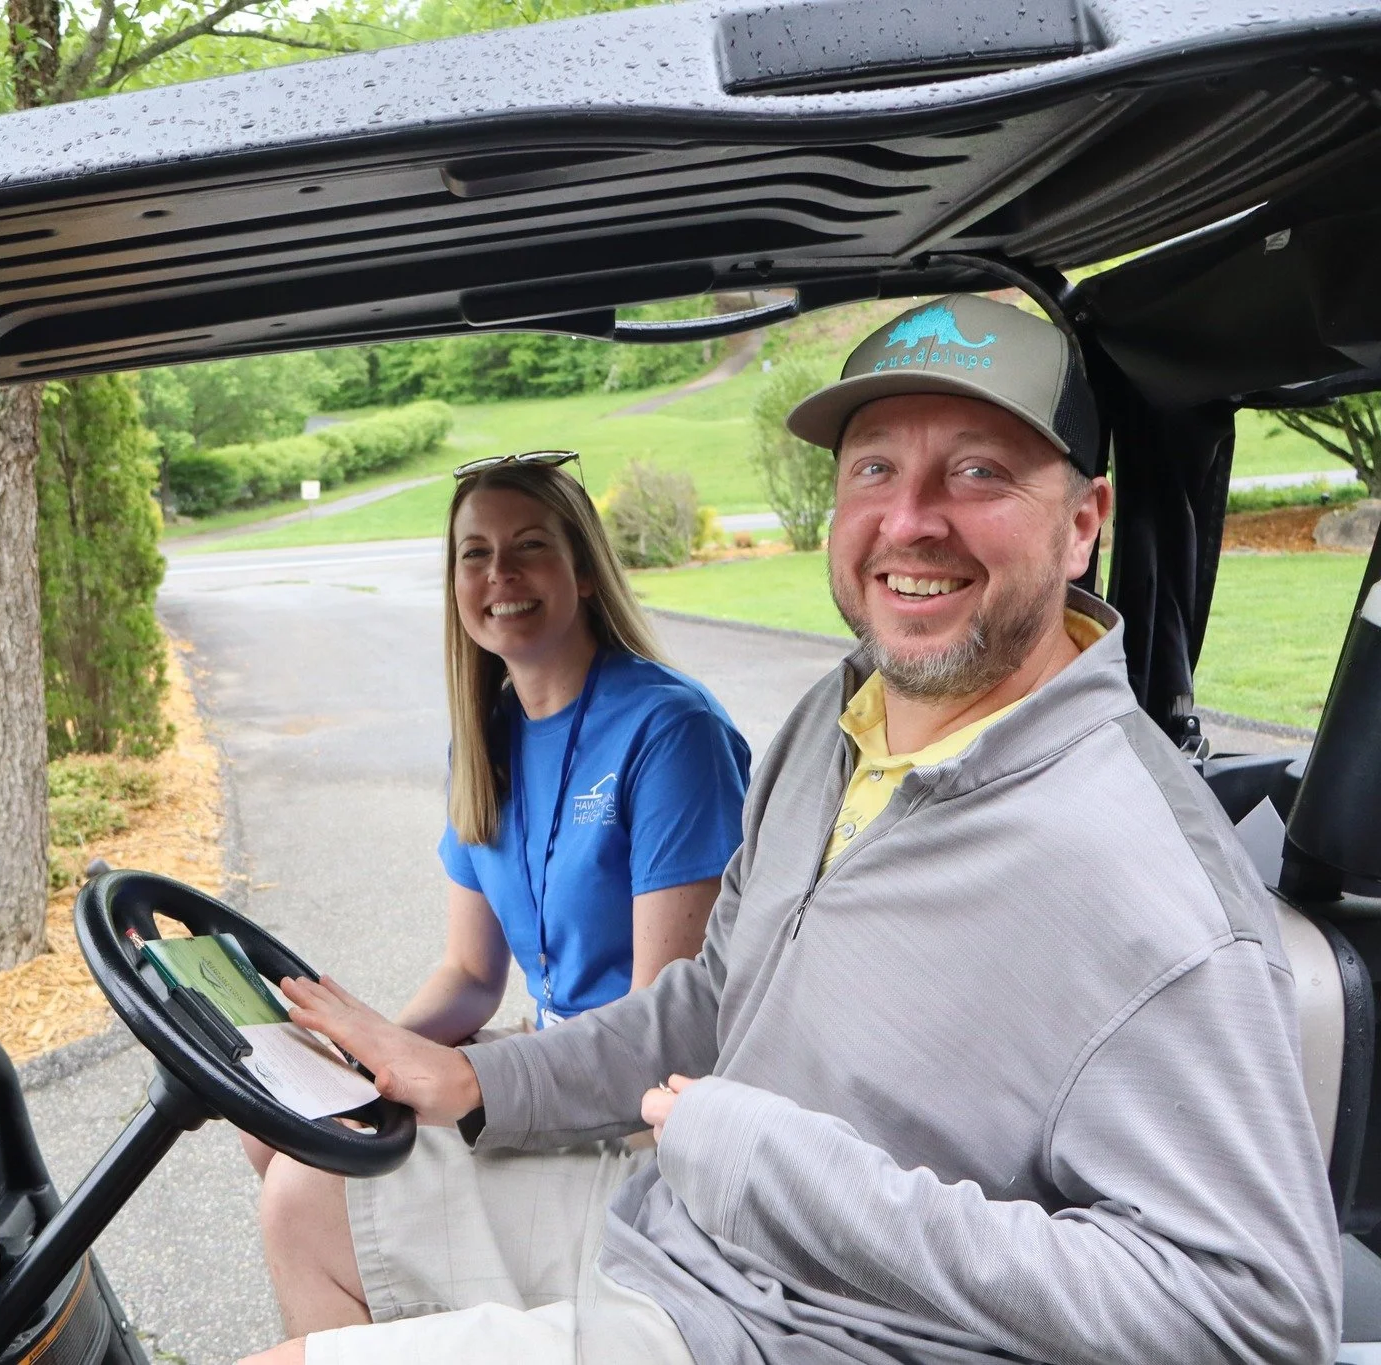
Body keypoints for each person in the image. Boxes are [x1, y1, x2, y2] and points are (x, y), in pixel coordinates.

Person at [241, 295, 1341, 1365]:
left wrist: (791, 1179)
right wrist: (479, 1083)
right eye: (873, 467)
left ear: (1080, 525)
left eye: (976, 471)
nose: (908, 518)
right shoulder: (837, 720)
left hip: (802, 1326)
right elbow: (718, 995)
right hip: (677, 1219)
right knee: (312, 1187)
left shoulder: (1142, 875)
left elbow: (1252, 1314)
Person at [247, 452, 752, 1325]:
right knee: (285, 1131)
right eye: (473, 555)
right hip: (552, 1066)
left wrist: (462, 1072)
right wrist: (367, 1058)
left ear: (585, 571)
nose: (500, 575)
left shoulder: (672, 731)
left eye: (529, 547)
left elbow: (662, 1027)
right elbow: (473, 974)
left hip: (642, 1119)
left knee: (304, 1192)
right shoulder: (484, 740)